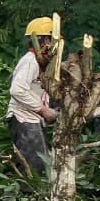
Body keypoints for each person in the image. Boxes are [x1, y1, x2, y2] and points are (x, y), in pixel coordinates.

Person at [7, 18, 59, 175]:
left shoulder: (41, 63)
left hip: (31, 119)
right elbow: (17, 90)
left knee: (40, 163)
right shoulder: (31, 61)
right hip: (24, 119)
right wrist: (43, 110)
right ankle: (26, 190)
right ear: (46, 40)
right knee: (35, 167)